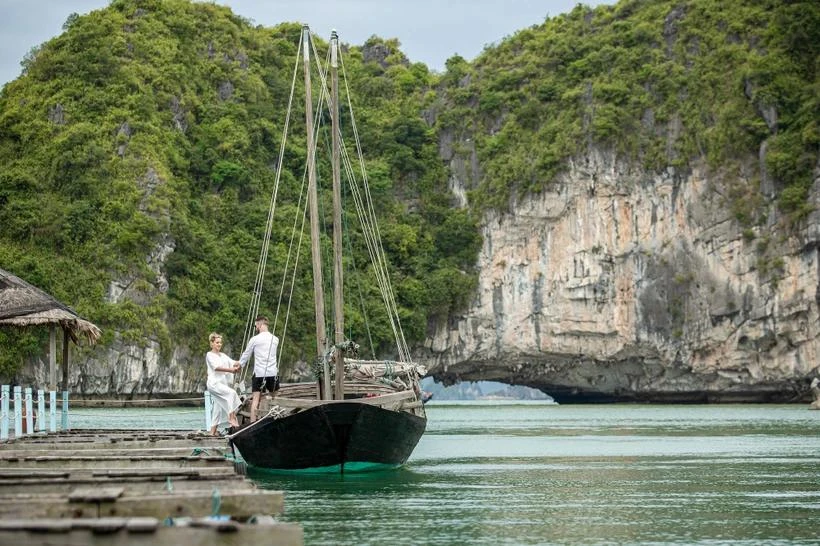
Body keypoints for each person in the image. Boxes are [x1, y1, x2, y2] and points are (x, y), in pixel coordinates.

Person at [238, 315, 280, 422]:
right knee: (275, 397)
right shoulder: (275, 339)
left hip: (259, 373)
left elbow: (246, 354)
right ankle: (276, 418)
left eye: (256, 326)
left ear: (260, 325)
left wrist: (239, 365)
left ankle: (253, 422)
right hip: (272, 373)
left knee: (256, 399)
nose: (256, 328)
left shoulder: (255, 339)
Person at [206, 332, 241, 436]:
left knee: (217, 407)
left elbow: (234, 362)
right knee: (232, 393)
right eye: (217, 342)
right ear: (212, 343)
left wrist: (241, 362)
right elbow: (216, 367)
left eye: (220, 343)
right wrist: (231, 370)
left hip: (222, 384)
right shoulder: (209, 355)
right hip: (214, 384)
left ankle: (212, 432)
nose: (219, 344)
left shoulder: (223, 356)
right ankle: (231, 417)